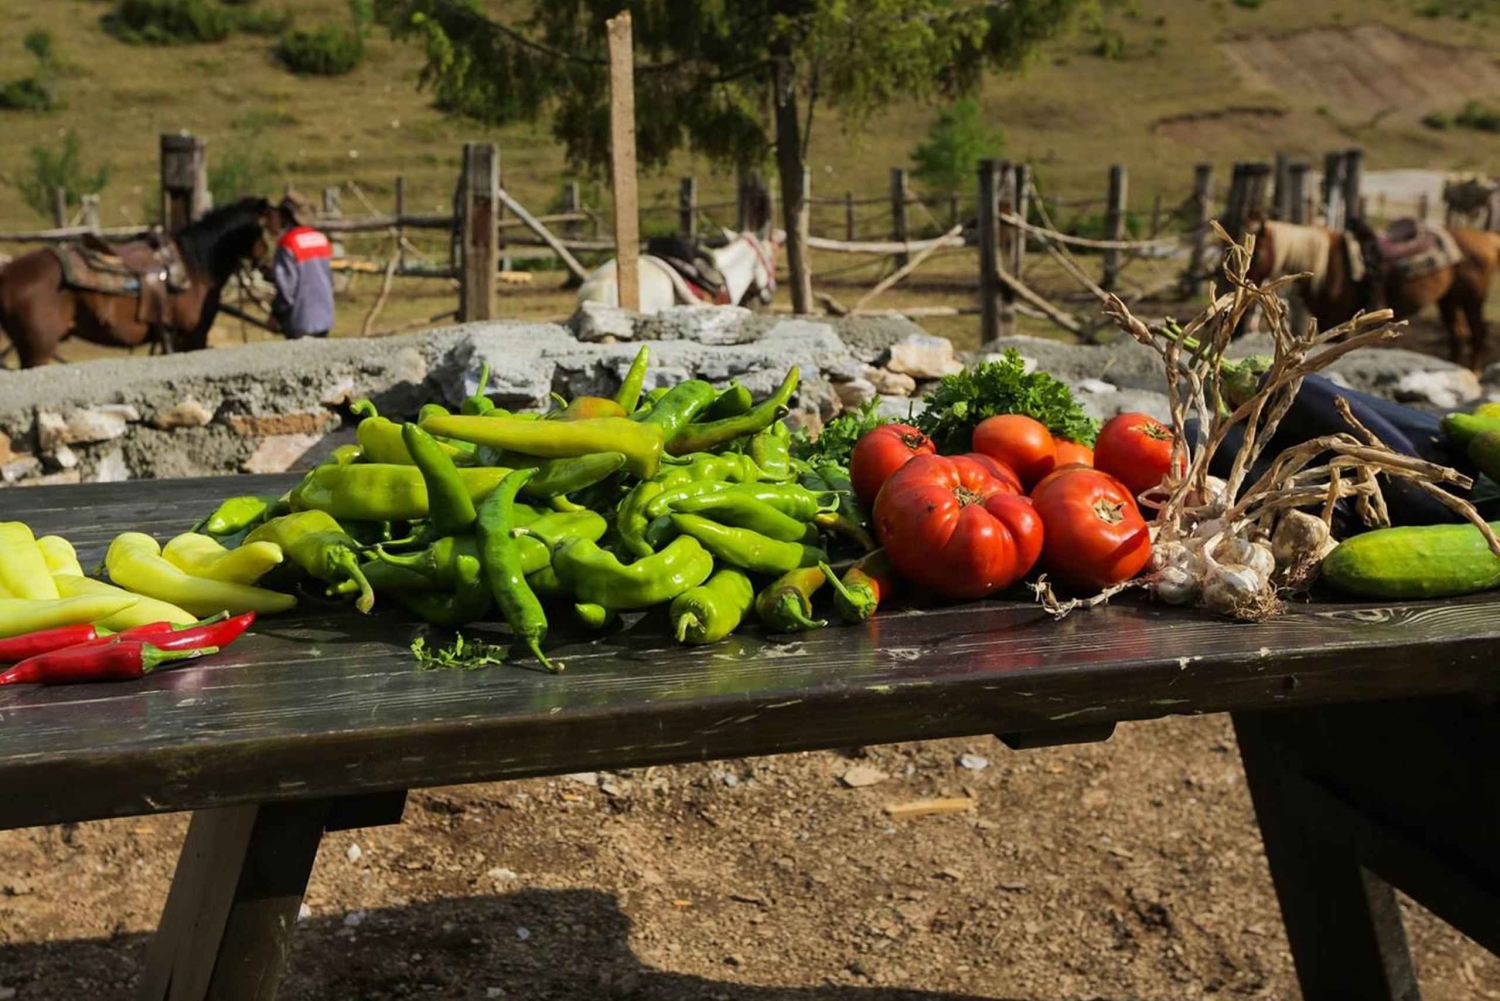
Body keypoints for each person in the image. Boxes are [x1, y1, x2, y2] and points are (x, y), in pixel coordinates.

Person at [268, 193, 335, 339]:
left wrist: (276, 315)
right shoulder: (321, 239)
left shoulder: (288, 243)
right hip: (325, 317)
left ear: (285, 216)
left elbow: (286, 290)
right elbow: (329, 279)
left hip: (300, 321)